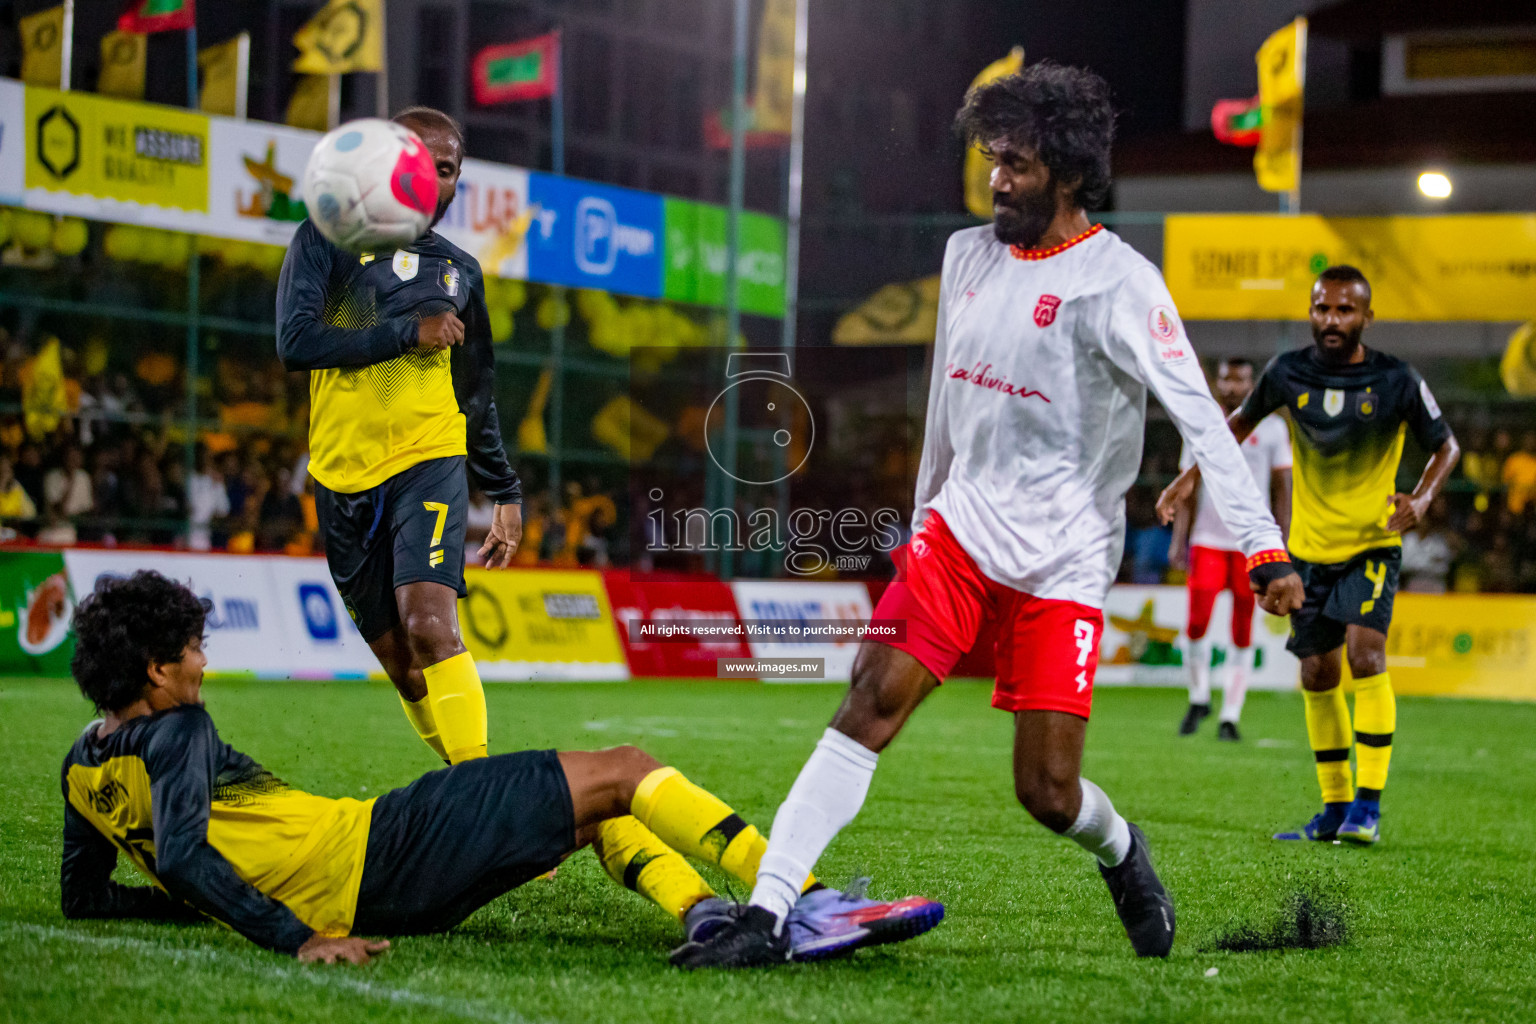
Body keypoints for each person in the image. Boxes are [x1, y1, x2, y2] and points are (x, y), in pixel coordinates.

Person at [677, 63, 1302, 969]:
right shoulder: (967, 254)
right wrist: (926, 511)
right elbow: (945, 402)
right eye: (991, 159)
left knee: (1047, 792)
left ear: (1071, 170)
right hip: (958, 535)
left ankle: (1123, 850)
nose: (997, 178)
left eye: (1016, 162)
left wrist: (1263, 550)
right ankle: (769, 914)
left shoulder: (1122, 284)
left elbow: (1202, 420)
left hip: (1065, 559)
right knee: (870, 700)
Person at [59, 571, 941, 965]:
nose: (202, 665)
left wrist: (211, 909)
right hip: (381, 851)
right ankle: (807, 900)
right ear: (153, 669)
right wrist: (296, 936)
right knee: (625, 768)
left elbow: (86, 897)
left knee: (590, 808)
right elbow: (180, 857)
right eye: (191, 650)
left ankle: (705, 911)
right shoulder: (177, 733)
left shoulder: (80, 768)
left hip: (379, 867)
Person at [1157, 265, 1460, 845]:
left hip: (1372, 546)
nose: (1331, 320)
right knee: (1317, 673)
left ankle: (1366, 808)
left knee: (1365, 656)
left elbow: (1446, 445)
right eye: (1322, 308)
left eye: (1345, 310)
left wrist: (1421, 500)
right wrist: (1188, 479)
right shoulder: (1289, 372)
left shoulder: (1395, 378)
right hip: (1308, 554)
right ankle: (1332, 808)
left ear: (1367, 317)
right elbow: (1231, 431)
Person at [276, 106, 522, 767]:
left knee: (431, 626)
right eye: (424, 165)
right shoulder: (324, 240)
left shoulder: (460, 273)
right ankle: (466, 788)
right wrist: (406, 334)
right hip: (341, 475)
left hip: (429, 459)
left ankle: (486, 813)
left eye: (449, 171)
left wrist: (504, 491)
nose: (437, 181)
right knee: (403, 666)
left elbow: (476, 394)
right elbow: (295, 343)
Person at [1167, 358, 1291, 741]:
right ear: (1218, 382)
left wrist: (1281, 541)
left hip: (1250, 543)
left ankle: (1230, 716)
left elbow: (1283, 488)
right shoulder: (1202, 426)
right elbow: (1187, 490)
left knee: (1241, 629)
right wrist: (1179, 538)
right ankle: (1199, 696)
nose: (1233, 386)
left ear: (1251, 383)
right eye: (1226, 379)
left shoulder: (1271, 428)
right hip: (1207, 538)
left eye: (1240, 379)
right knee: (1197, 623)